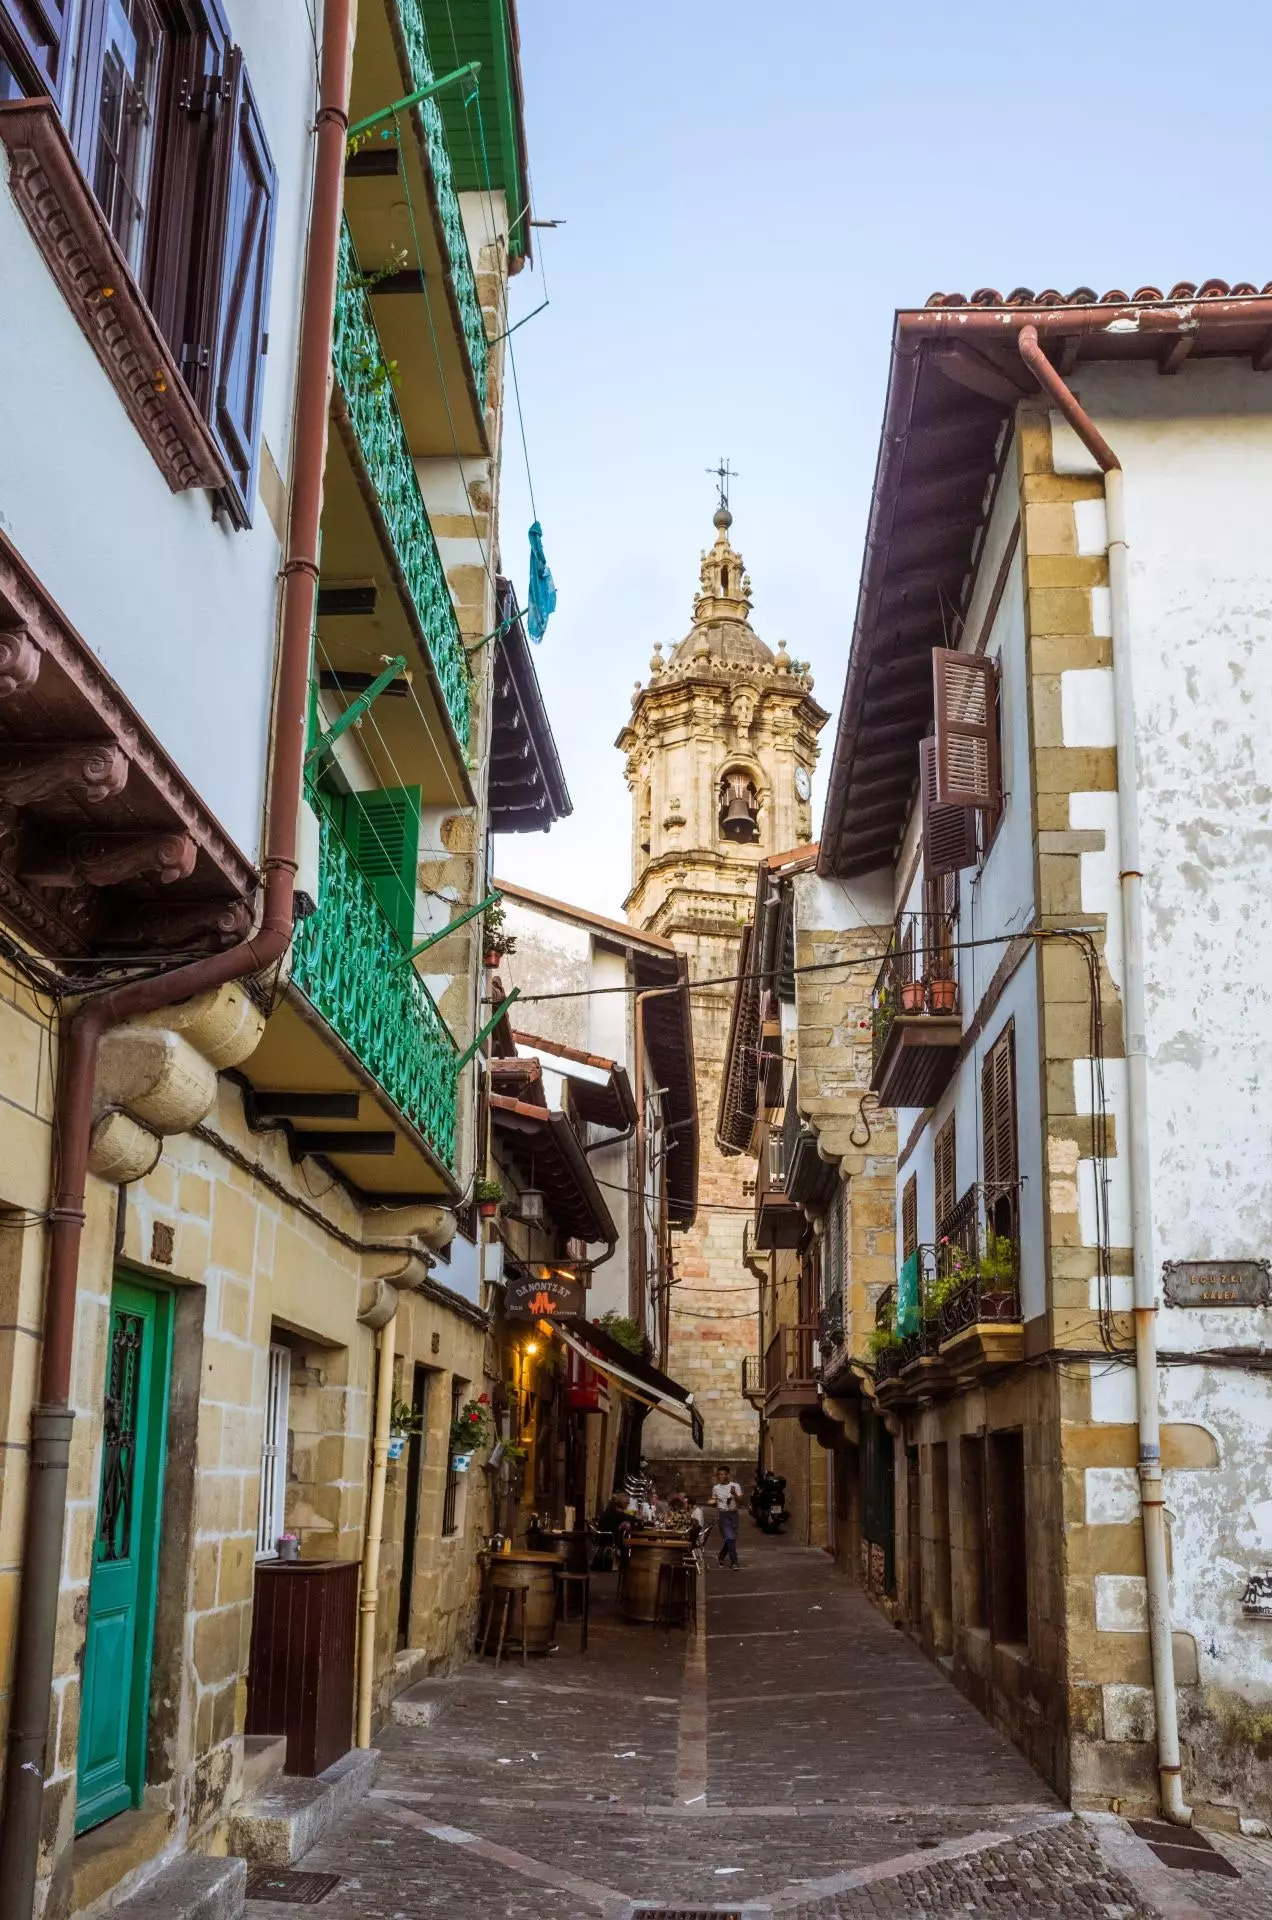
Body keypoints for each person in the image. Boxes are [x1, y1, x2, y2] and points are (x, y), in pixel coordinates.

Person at [711, 1464, 743, 1567]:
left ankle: (721, 1555)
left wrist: (735, 1494)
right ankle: (734, 1562)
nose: (720, 1476)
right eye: (719, 1475)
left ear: (728, 1475)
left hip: (734, 1514)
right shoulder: (716, 1488)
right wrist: (711, 1502)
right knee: (730, 1538)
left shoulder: (735, 1486)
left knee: (732, 1538)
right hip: (723, 1515)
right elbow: (713, 1500)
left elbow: (741, 1501)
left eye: (722, 1474)